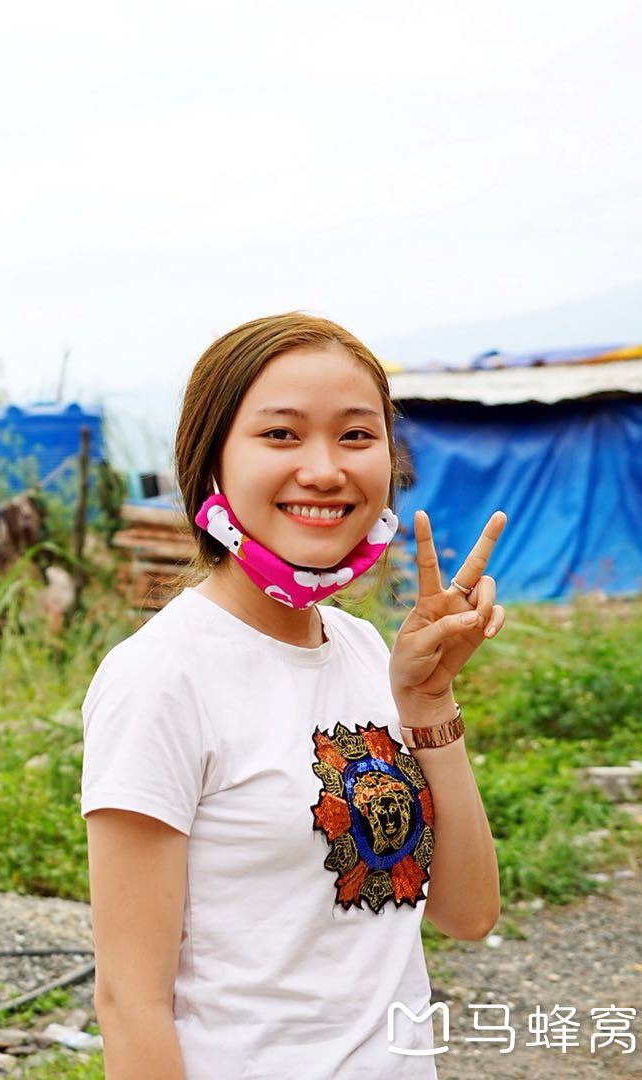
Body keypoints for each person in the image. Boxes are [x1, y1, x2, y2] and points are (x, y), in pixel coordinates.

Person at [81, 313, 504, 1079]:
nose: (324, 469)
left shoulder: (366, 651)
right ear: (210, 460)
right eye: (281, 435)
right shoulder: (161, 678)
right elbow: (129, 1003)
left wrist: (430, 703)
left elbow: (466, 914)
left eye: (355, 435)